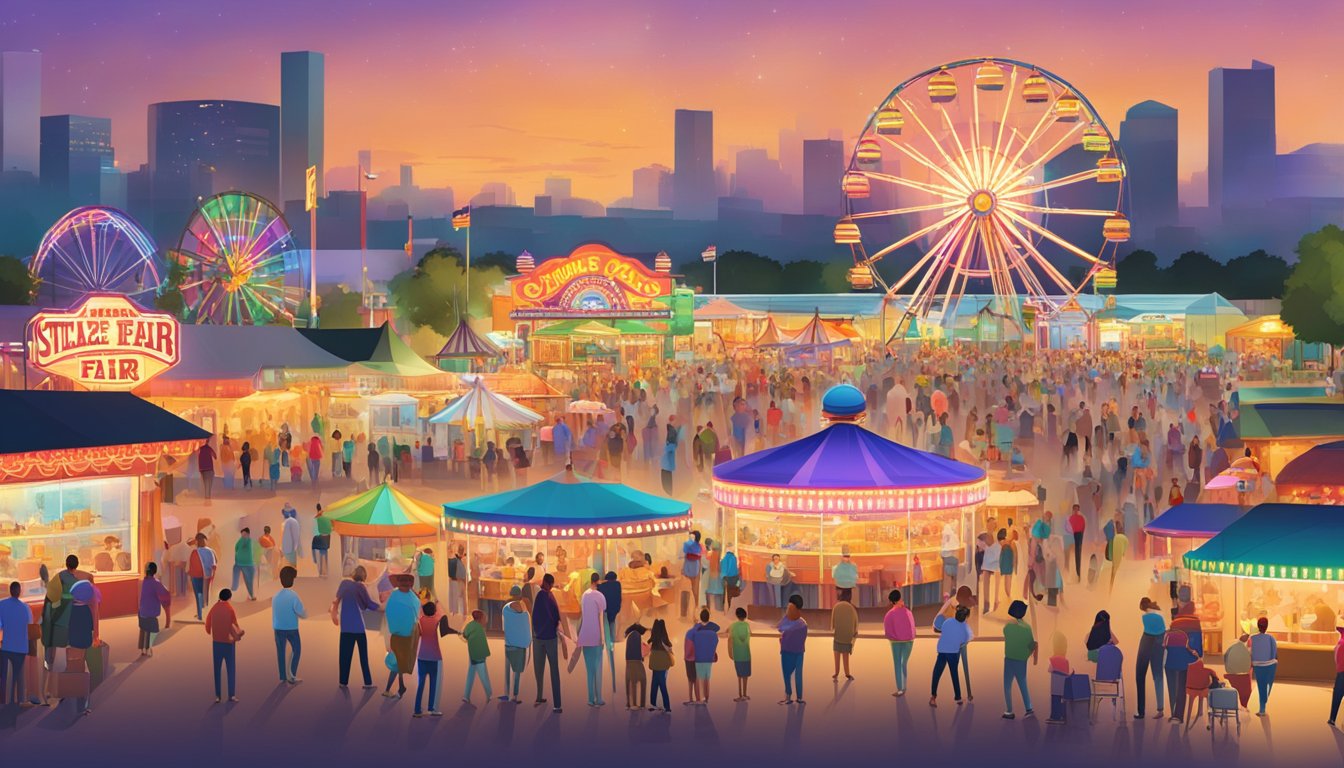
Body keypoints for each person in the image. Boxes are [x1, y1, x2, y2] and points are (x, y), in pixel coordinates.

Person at [335, 565, 381, 689]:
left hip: (345, 627)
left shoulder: (344, 584)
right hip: (359, 628)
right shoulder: (361, 587)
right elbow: (369, 604)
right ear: (364, 577)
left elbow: (336, 600)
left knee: (344, 656)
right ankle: (368, 682)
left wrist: (334, 614)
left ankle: (343, 682)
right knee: (363, 657)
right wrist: (382, 608)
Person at [531, 572, 565, 713]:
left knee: (539, 670)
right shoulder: (550, 597)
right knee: (554, 671)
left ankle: (539, 697)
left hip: (538, 639)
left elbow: (534, 616)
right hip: (550, 638)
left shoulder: (540, 596)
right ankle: (557, 704)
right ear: (548, 584)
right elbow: (557, 616)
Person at [205, 588, 244, 703]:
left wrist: (209, 631)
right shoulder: (230, 609)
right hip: (228, 643)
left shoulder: (214, 608)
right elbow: (234, 623)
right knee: (230, 668)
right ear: (229, 598)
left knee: (217, 669)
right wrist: (238, 633)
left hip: (216, 642)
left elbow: (208, 621)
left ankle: (218, 695)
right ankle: (231, 695)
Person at [384, 574, 420, 699]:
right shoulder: (413, 598)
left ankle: (394, 687)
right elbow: (416, 615)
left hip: (398, 635)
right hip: (407, 635)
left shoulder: (395, 596)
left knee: (397, 662)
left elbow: (389, 613)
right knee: (399, 662)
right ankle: (398, 686)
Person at [0, 581, 34, 705]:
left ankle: (4, 700)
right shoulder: (26, 608)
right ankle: (20, 700)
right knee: (19, 675)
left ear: (10, 591)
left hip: (7, 646)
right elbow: (30, 627)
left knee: (5, 676)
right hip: (21, 647)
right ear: (19, 592)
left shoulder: (2, 605)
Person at [931, 605, 973, 707]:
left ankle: (933, 697)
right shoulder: (965, 629)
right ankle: (958, 698)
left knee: (937, 673)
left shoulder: (947, 622)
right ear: (966, 617)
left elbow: (941, 629)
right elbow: (965, 641)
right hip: (953, 653)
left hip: (942, 651)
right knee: (954, 674)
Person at [1001, 599, 1036, 719]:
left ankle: (1009, 710)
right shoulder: (1027, 628)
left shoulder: (1007, 627)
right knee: (1022, 683)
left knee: (1007, 685)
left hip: (1009, 658)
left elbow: (1006, 633)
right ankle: (1029, 708)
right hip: (1022, 660)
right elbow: (1031, 644)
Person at [578, 572, 608, 706]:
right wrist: (603, 639)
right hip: (596, 636)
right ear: (598, 582)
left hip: (585, 636)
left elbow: (583, 616)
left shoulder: (584, 595)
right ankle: (599, 698)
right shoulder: (600, 597)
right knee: (598, 669)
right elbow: (601, 619)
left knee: (589, 670)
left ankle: (590, 699)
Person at [272, 565, 305, 684]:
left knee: (280, 652)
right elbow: (301, 611)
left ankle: (282, 677)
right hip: (291, 628)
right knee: (297, 649)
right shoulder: (294, 595)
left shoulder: (275, 596)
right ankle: (292, 675)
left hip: (278, 628)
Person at [1135, 597, 1167, 719]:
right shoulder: (1160, 613)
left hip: (1147, 640)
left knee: (1140, 675)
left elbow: (1149, 630)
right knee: (1158, 676)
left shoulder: (1145, 616)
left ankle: (1141, 711)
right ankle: (1160, 709)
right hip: (1160, 642)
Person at [413, 601, 444, 717]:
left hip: (422, 656)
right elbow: (441, 614)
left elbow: (419, 630)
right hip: (434, 656)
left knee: (420, 684)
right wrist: (438, 603)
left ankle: (417, 709)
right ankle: (432, 708)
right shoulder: (436, 621)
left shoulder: (420, 620)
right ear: (434, 611)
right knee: (433, 684)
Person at [500, 585, 530, 703]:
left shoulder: (505, 608)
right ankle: (515, 696)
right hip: (521, 644)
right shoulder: (524, 609)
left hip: (509, 643)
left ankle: (506, 694)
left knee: (507, 669)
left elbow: (504, 627)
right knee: (517, 671)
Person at [1163, 626, 1199, 724]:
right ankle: (1179, 716)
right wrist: (1194, 654)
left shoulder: (1167, 635)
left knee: (1172, 690)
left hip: (1170, 665)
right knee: (1181, 690)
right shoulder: (1184, 635)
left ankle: (1173, 714)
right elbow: (1188, 649)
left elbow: (1164, 648)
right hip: (1183, 665)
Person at [884, 588, 916, 696]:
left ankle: (900, 689)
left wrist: (892, 637)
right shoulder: (908, 612)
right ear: (900, 598)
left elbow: (887, 632)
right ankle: (904, 686)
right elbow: (912, 628)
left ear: (891, 601)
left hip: (895, 642)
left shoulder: (889, 614)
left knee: (897, 664)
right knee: (904, 663)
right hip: (909, 642)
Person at [778, 594, 808, 705]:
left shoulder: (798, 624)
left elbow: (781, 629)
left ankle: (789, 696)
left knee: (787, 674)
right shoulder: (803, 624)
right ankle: (798, 697)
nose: (788, 609)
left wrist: (782, 640)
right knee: (797, 674)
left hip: (788, 651)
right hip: (798, 652)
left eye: (790, 608)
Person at [137, 562, 171, 657]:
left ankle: (143, 650)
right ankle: (149, 649)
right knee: (152, 631)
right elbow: (164, 593)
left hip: (141, 611)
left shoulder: (142, 582)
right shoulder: (156, 583)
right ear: (154, 571)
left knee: (143, 630)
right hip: (151, 612)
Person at [461, 609, 493, 703]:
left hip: (472, 653)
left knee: (470, 675)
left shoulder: (470, 625)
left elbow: (465, 634)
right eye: (484, 618)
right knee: (483, 675)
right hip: (479, 655)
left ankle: (466, 695)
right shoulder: (479, 627)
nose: (485, 620)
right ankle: (489, 694)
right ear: (480, 619)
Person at [690, 607, 720, 703]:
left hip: (698, 657)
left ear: (700, 617)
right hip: (708, 657)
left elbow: (693, 635)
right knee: (707, 678)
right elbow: (717, 628)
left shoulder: (697, 630)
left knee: (699, 677)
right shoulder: (713, 633)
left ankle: (699, 698)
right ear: (708, 617)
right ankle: (707, 697)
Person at [1249, 616, 1278, 716]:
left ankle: (1262, 709)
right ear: (1267, 626)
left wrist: (1252, 663)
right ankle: (1263, 705)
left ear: (1258, 626)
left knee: (1261, 686)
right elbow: (1274, 653)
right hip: (1270, 665)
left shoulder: (1252, 638)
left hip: (1257, 665)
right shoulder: (1271, 638)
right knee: (1267, 686)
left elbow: (1250, 652)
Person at [647, 618, 674, 713]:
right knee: (662, 684)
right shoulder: (664, 638)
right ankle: (667, 707)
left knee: (654, 683)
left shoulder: (653, 639)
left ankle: (653, 703)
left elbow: (648, 646)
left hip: (655, 664)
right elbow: (670, 649)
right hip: (663, 665)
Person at [831, 587, 858, 681]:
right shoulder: (852, 608)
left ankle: (836, 673)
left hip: (838, 636)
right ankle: (847, 674)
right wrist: (854, 633)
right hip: (847, 637)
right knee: (846, 657)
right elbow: (855, 622)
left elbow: (833, 623)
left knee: (836, 655)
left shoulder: (836, 606)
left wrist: (833, 629)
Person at [188, 533, 217, 620]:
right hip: (207, 576)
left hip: (196, 576)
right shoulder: (211, 551)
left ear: (197, 541)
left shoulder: (194, 552)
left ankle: (200, 615)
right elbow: (215, 564)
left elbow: (191, 566)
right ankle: (207, 614)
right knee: (207, 595)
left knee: (199, 595)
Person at [1046, 632, 1072, 724]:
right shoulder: (1065, 660)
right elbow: (1067, 673)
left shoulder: (1053, 659)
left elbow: (1049, 670)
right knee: (1063, 701)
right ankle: (1063, 716)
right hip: (1063, 685)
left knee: (1055, 701)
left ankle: (1055, 716)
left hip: (1055, 685)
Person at [1223, 632, 1253, 710]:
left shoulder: (1232, 647)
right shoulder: (1247, 650)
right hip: (1243, 675)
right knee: (1246, 691)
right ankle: (1244, 705)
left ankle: (1233, 705)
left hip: (1230, 674)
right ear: (1247, 642)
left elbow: (1225, 656)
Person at [623, 622, 649, 710]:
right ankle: (641, 704)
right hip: (636, 662)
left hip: (628, 662)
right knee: (643, 680)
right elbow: (638, 651)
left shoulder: (630, 636)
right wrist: (642, 657)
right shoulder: (637, 635)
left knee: (632, 682)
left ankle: (631, 703)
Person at [728, 606, 752, 702]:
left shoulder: (733, 626)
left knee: (739, 675)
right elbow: (750, 635)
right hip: (746, 653)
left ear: (737, 616)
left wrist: (730, 652)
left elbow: (730, 639)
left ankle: (740, 694)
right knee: (745, 675)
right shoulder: (747, 626)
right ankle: (745, 694)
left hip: (737, 654)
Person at [681, 530, 703, 618]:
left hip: (688, 570)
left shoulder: (687, 546)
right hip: (695, 570)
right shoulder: (699, 547)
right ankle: (695, 612)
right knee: (695, 591)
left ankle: (685, 613)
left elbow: (684, 557)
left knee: (686, 590)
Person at [231, 527, 257, 601]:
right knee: (245, 580)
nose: (243, 536)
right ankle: (250, 595)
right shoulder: (241, 540)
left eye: (244, 534)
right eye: (242, 534)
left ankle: (251, 595)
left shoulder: (249, 541)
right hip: (240, 564)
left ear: (248, 534)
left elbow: (238, 547)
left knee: (249, 581)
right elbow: (236, 548)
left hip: (249, 564)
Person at [312, 505, 332, 578]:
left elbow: (314, 531)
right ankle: (325, 571)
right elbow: (330, 529)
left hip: (319, 539)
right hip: (327, 539)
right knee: (324, 553)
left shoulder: (317, 518)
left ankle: (320, 571)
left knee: (317, 553)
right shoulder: (327, 518)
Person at [1330, 626, 1344, 727]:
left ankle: (1332, 718)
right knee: (1338, 693)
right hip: (1341, 670)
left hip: (1341, 670)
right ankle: (1332, 718)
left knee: (1338, 693)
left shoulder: (1341, 641)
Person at [1067, 504, 1086, 580]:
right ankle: (1074, 574)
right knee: (1072, 554)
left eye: (1077, 509)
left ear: (1078, 510)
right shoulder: (1070, 518)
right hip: (1072, 535)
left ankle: (1079, 573)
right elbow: (1068, 528)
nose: (1075, 510)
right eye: (1074, 509)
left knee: (1078, 554)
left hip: (1079, 535)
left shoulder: (1081, 518)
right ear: (1073, 510)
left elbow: (1083, 528)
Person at [281, 504, 302, 569]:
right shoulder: (293, 522)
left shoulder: (284, 524)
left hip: (289, 546)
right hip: (290, 546)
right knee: (291, 563)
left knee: (289, 563)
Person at [198, 437, 217, 502]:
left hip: (202, 468)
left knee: (205, 482)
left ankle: (207, 496)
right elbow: (215, 456)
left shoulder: (200, 449)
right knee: (209, 482)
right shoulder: (209, 449)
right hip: (209, 468)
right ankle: (208, 496)